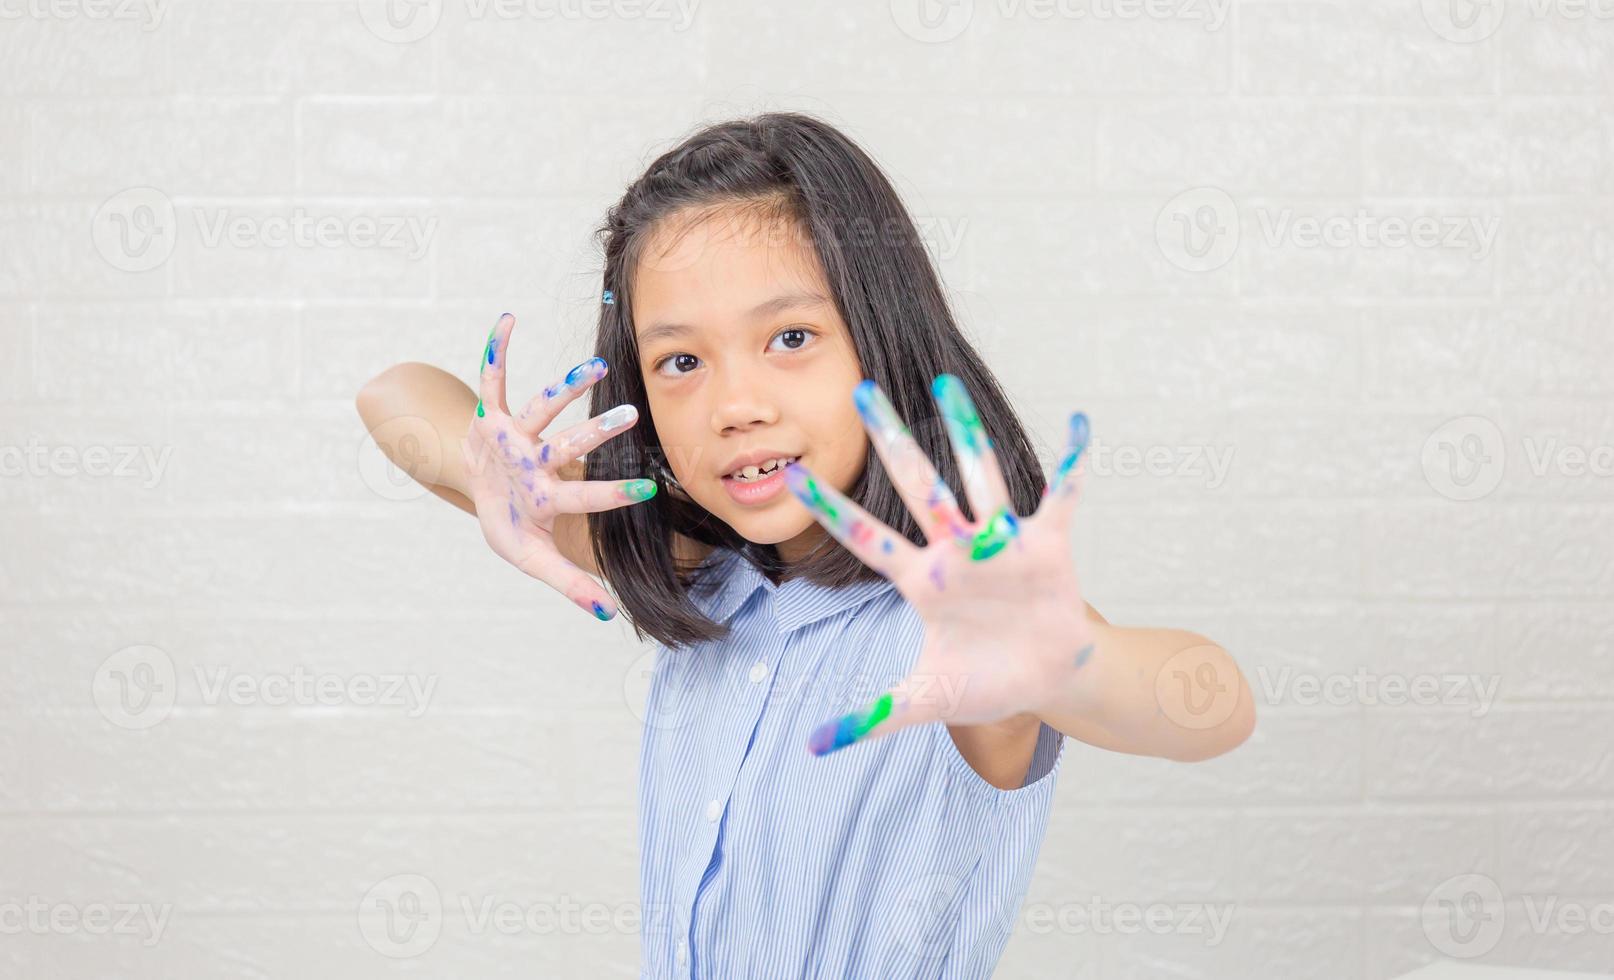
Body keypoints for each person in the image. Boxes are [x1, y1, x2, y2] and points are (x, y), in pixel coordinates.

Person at [357, 111, 1255, 978]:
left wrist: (1070, 669)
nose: (734, 404)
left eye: (791, 338)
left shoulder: (967, 637)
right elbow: (392, 397)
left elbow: (1210, 704)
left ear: (882, 341)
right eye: (681, 361)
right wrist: (499, 474)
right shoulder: (701, 574)